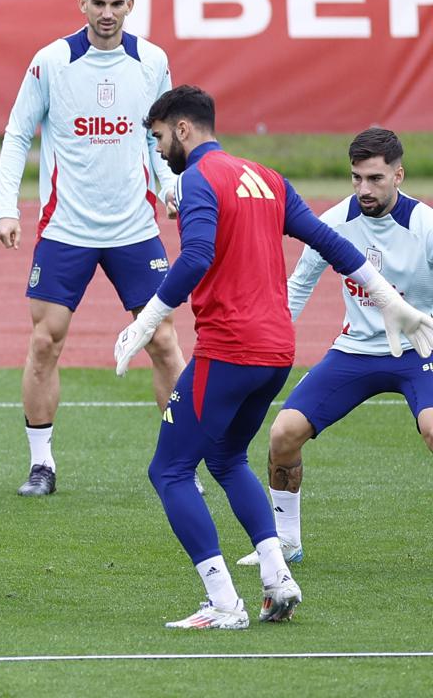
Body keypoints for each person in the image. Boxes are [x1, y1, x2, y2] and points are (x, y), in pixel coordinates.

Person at [113, 86, 433, 630]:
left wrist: (146, 320)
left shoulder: (198, 178)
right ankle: (278, 578)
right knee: (228, 459)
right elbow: (334, 245)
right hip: (276, 351)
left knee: (168, 469)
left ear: (183, 129)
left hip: (229, 348)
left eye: (160, 137)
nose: (160, 148)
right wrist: (391, 301)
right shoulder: (268, 176)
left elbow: (195, 256)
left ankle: (222, 602)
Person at [0, 0, 184, 497]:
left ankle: (181, 457)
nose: (106, 13)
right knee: (46, 342)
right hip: (65, 230)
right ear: (82, 4)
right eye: (96, 3)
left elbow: (161, 139)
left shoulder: (152, 62)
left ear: (130, 5)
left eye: (115, 3)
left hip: (134, 228)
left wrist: (171, 188)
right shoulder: (51, 62)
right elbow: (16, 135)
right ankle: (41, 464)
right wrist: (6, 207)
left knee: (164, 341)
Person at [236, 128, 433, 568]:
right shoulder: (333, 223)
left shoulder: (426, 226)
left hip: (422, 350)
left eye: (376, 179)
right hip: (355, 351)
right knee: (283, 434)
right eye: (357, 178)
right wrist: (266, 345)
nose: (364, 188)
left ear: (399, 175)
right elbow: (298, 286)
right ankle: (287, 542)